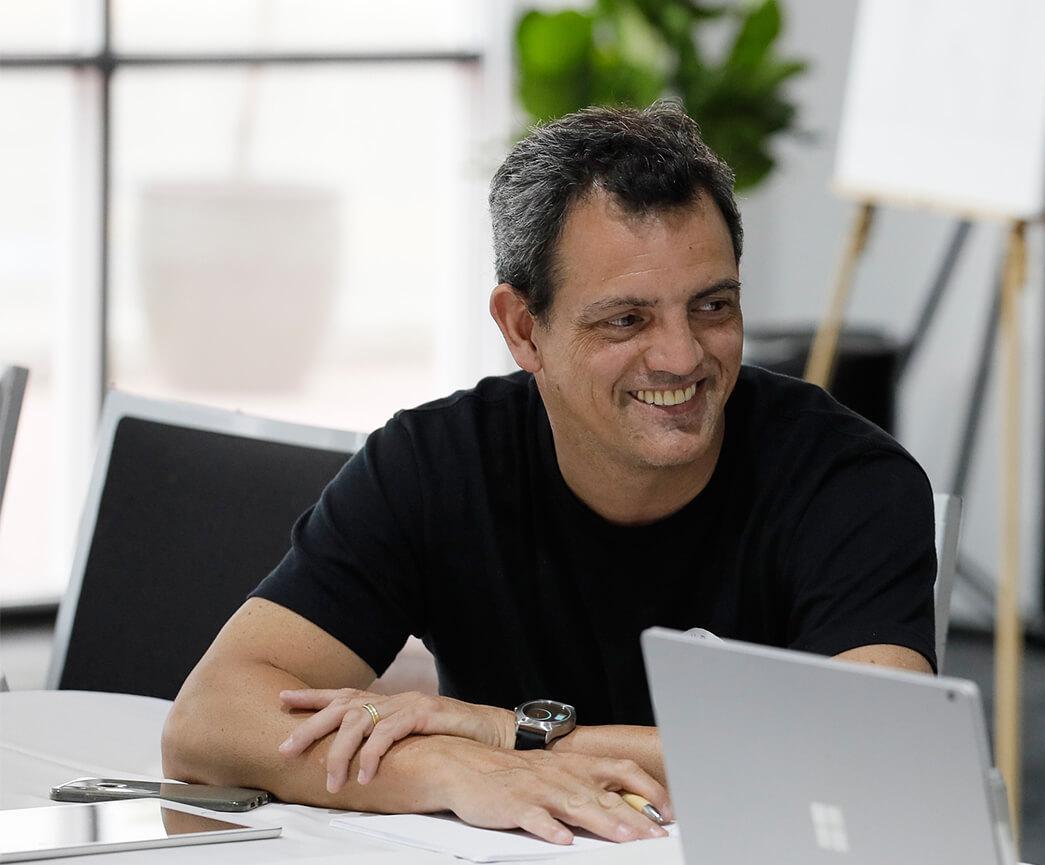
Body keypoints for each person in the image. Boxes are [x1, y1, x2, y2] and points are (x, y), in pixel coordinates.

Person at [162, 102, 937, 846]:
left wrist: (511, 733)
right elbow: (210, 720)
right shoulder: (436, 462)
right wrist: (445, 763)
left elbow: (878, 755)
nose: (682, 356)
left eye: (712, 306)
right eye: (626, 320)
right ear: (524, 328)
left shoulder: (848, 480)